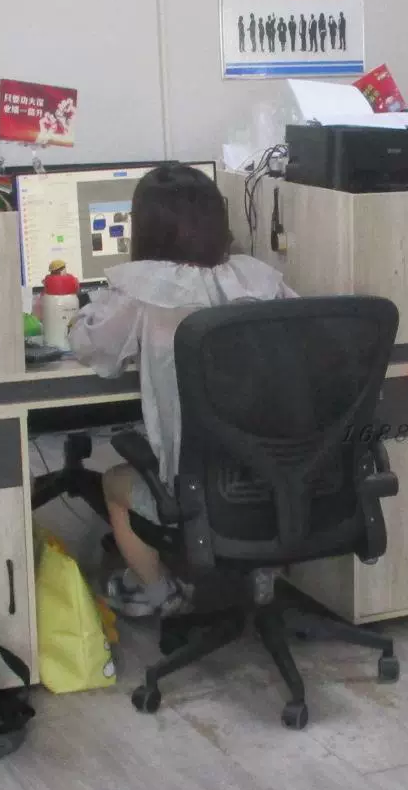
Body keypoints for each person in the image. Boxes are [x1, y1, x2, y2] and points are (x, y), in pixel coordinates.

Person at [68, 163, 295, 615]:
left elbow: (93, 349)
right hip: (280, 480)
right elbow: (308, 338)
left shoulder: (143, 289)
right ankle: (259, 578)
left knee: (114, 481)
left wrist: (80, 312)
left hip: (197, 492)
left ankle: (161, 595)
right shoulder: (258, 278)